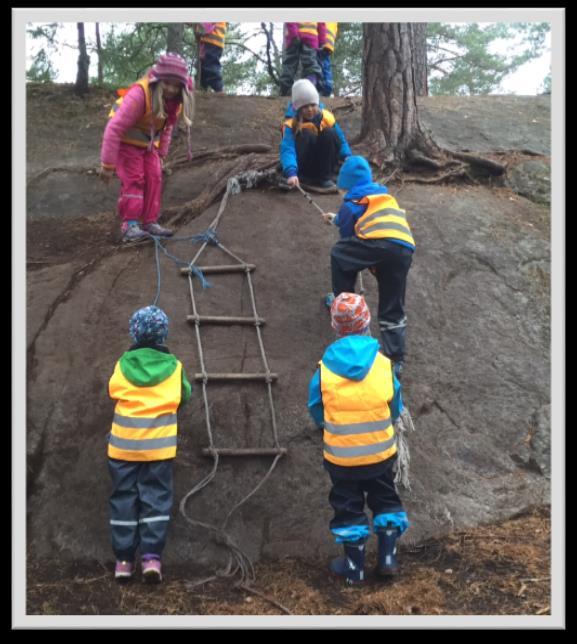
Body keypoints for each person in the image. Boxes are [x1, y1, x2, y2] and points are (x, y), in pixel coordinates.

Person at [307, 292, 409, 585]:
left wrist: (327, 425)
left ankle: (354, 568)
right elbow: (395, 405)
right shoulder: (383, 364)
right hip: (380, 453)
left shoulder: (324, 368)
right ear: (367, 323)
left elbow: (316, 407)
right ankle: (388, 558)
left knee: (347, 505)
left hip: (342, 457)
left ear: (335, 327)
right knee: (385, 498)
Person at [107, 305, 192, 583]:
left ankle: (122, 560)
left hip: (123, 447)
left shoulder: (122, 364)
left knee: (123, 499)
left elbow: (112, 390)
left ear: (134, 332)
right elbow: (184, 395)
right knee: (155, 498)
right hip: (158, 448)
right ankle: (151, 558)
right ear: (163, 335)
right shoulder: (175, 367)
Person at [322, 156, 415, 378]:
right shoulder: (383, 197)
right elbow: (367, 219)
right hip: (403, 247)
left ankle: (344, 304)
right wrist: (336, 219)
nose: (340, 195)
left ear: (347, 187)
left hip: (378, 244)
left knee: (340, 255)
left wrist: (341, 223)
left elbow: (348, 237)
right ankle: (396, 358)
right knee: (393, 303)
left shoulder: (350, 201)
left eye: (340, 191)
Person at [100, 53, 195, 243]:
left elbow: (167, 128)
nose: (171, 89)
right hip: (126, 142)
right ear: (158, 79)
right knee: (135, 179)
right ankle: (130, 225)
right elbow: (114, 129)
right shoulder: (140, 95)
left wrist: (161, 154)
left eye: (177, 86)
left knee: (154, 176)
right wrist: (107, 165)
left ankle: (149, 221)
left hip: (148, 144)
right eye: (167, 83)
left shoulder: (174, 102)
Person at [280, 78, 351, 193]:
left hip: (325, 164)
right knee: (306, 134)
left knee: (329, 133)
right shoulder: (290, 125)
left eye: (313, 105)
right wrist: (291, 172)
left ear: (318, 104)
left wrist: (347, 156)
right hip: (304, 166)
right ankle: (305, 177)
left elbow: (341, 139)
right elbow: (287, 150)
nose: (309, 109)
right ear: (298, 108)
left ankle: (325, 177)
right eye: (305, 106)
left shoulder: (327, 117)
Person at [279, 22, 323, 96]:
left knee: (290, 63)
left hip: (294, 36)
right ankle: (310, 88)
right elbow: (322, 24)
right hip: (311, 36)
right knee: (311, 63)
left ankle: (285, 90)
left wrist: (293, 33)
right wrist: (321, 41)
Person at [195, 22, 227, 93]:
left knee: (210, 66)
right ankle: (201, 89)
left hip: (211, 41)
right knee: (201, 67)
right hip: (208, 41)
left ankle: (219, 89)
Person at [317, 22, 338, 97]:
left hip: (321, 42)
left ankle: (321, 87)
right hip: (330, 45)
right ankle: (328, 87)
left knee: (319, 65)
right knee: (326, 66)